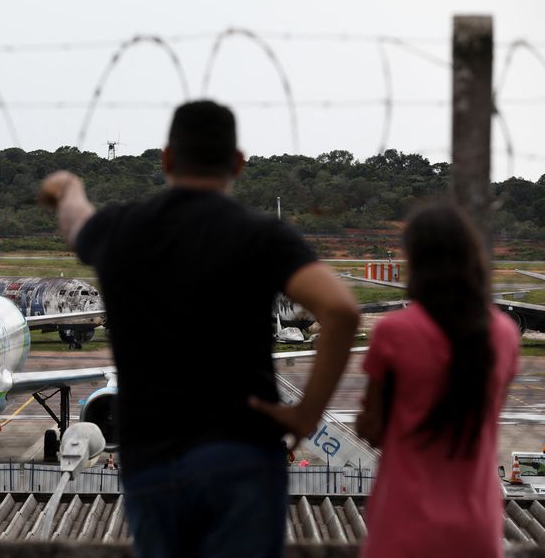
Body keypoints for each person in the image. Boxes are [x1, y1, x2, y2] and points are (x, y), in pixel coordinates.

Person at [39, 100, 360, 558]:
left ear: (167, 158)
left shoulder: (122, 230)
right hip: (243, 456)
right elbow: (342, 312)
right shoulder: (262, 237)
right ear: (238, 163)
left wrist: (67, 187)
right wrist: (307, 414)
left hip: (154, 460)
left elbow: (75, 221)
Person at [356, 202, 519, 558]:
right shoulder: (505, 334)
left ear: (415, 262)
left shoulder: (394, 332)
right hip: (477, 525)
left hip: (404, 522)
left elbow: (369, 428)